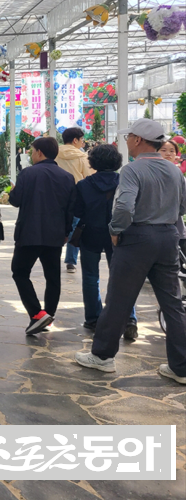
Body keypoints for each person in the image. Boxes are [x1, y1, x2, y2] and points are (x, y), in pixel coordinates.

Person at [75, 119, 186, 385]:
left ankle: (102, 357)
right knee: (173, 303)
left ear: (138, 140)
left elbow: (124, 206)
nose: (126, 141)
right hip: (168, 236)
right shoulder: (175, 171)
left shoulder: (132, 170)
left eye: (129, 137)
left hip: (137, 237)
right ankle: (181, 367)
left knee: (119, 299)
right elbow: (182, 207)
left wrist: (115, 228)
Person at [9, 137, 76, 335]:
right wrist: (66, 232)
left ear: (39, 152)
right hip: (55, 235)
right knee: (53, 277)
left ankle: (37, 314)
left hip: (28, 233)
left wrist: (14, 190)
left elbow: (15, 201)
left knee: (20, 273)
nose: (31, 154)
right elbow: (70, 210)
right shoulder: (66, 176)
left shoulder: (28, 173)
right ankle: (48, 315)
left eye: (32, 151)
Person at [73, 145, 139, 337]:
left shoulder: (84, 185)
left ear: (93, 162)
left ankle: (93, 318)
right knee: (123, 278)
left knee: (90, 277)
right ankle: (129, 319)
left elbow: (77, 212)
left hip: (91, 234)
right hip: (119, 234)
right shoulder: (124, 182)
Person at [57, 128, 95, 274]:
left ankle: (53, 255)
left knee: (57, 226)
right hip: (77, 197)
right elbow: (88, 176)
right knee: (74, 228)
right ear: (75, 140)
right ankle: (70, 262)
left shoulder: (55, 154)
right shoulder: (82, 157)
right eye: (82, 140)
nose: (82, 143)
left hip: (57, 196)